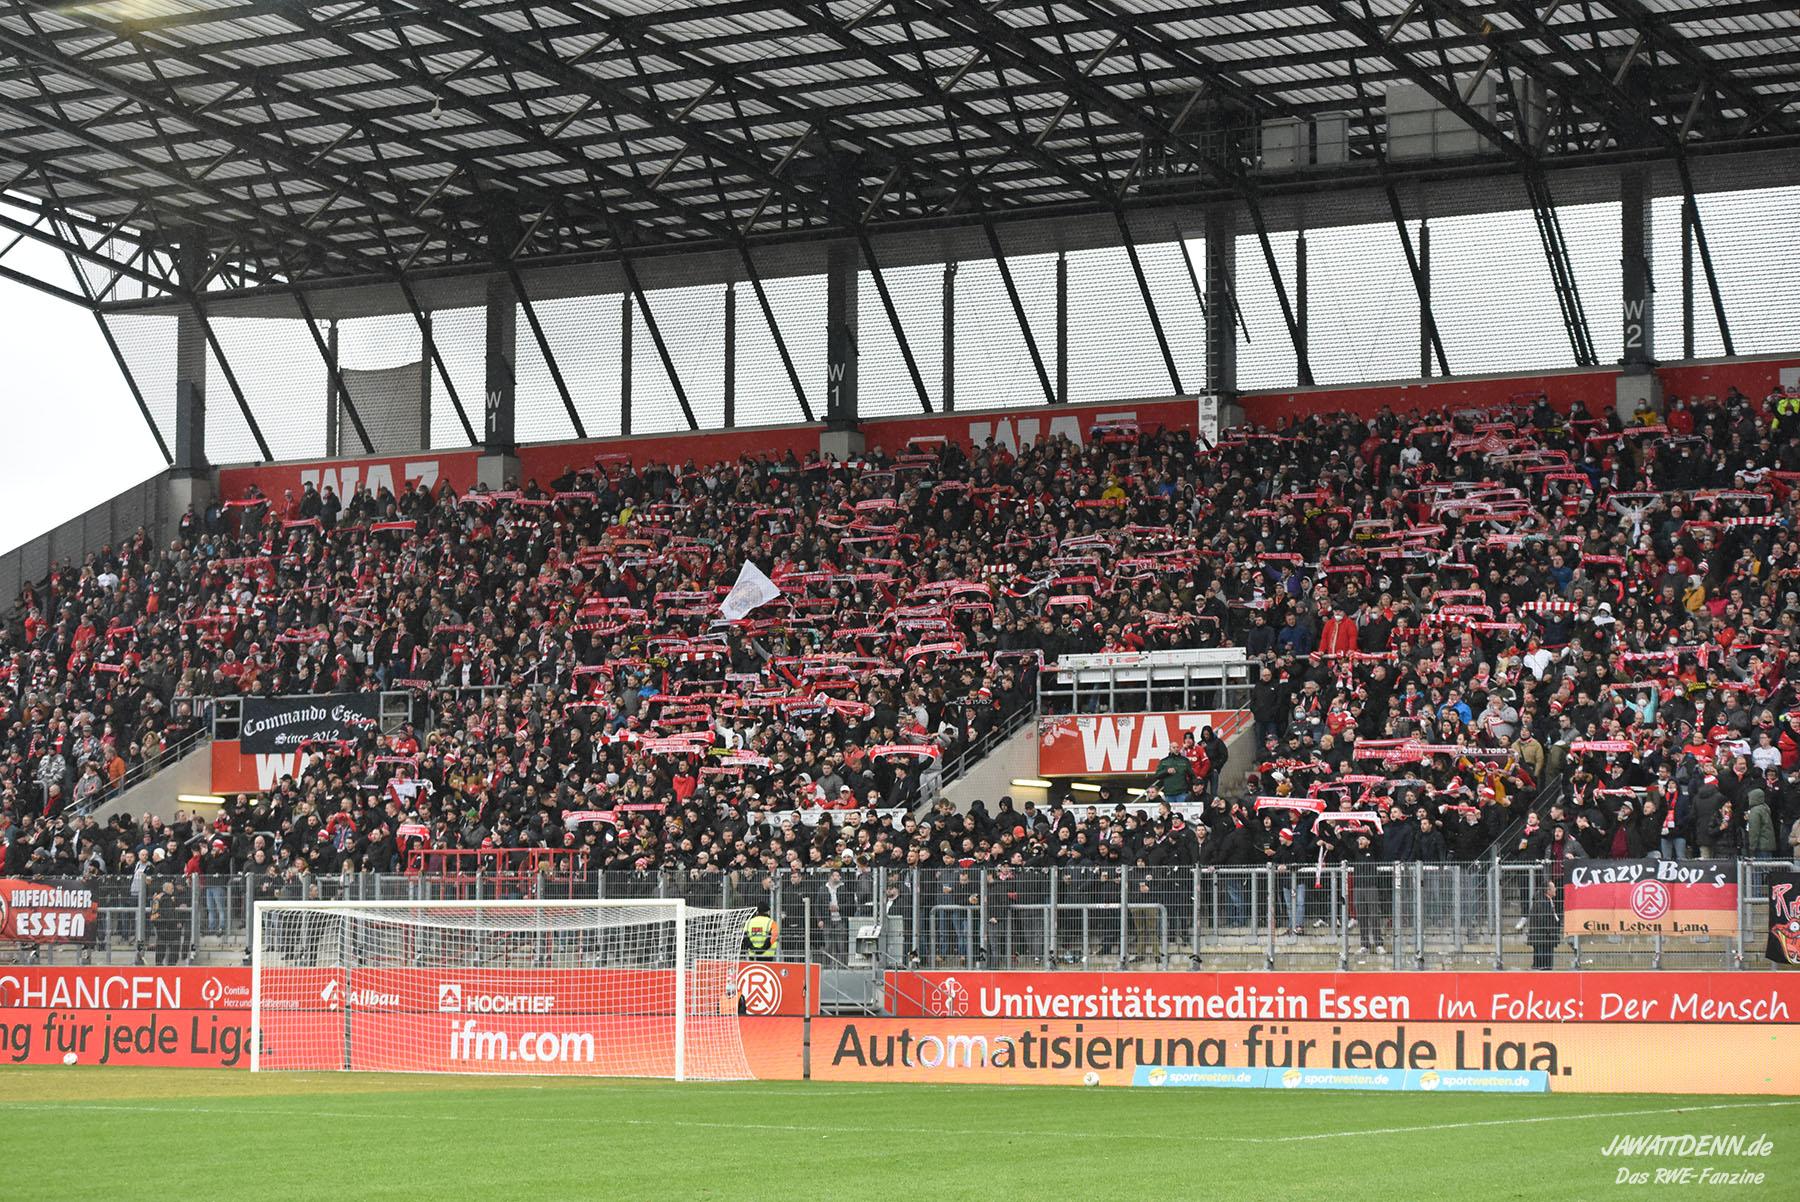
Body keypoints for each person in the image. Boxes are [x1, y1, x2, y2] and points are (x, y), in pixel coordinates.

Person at [1525, 880, 1560, 970]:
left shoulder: (1545, 900)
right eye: (1553, 888)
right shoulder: (1543, 902)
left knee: (1541, 962)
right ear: (1548, 890)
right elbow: (1543, 920)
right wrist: (1551, 932)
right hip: (1544, 937)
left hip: (1543, 937)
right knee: (1544, 964)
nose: (1555, 889)